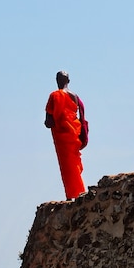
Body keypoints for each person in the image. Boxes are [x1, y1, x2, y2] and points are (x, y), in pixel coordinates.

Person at [45, 70, 86, 200]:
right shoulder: (75, 96)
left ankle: (71, 195)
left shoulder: (54, 95)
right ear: (68, 81)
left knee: (67, 166)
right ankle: (79, 192)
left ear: (57, 81)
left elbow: (48, 121)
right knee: (74, 164)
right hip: (74, 134)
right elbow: (78, 116)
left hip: (62, 135)